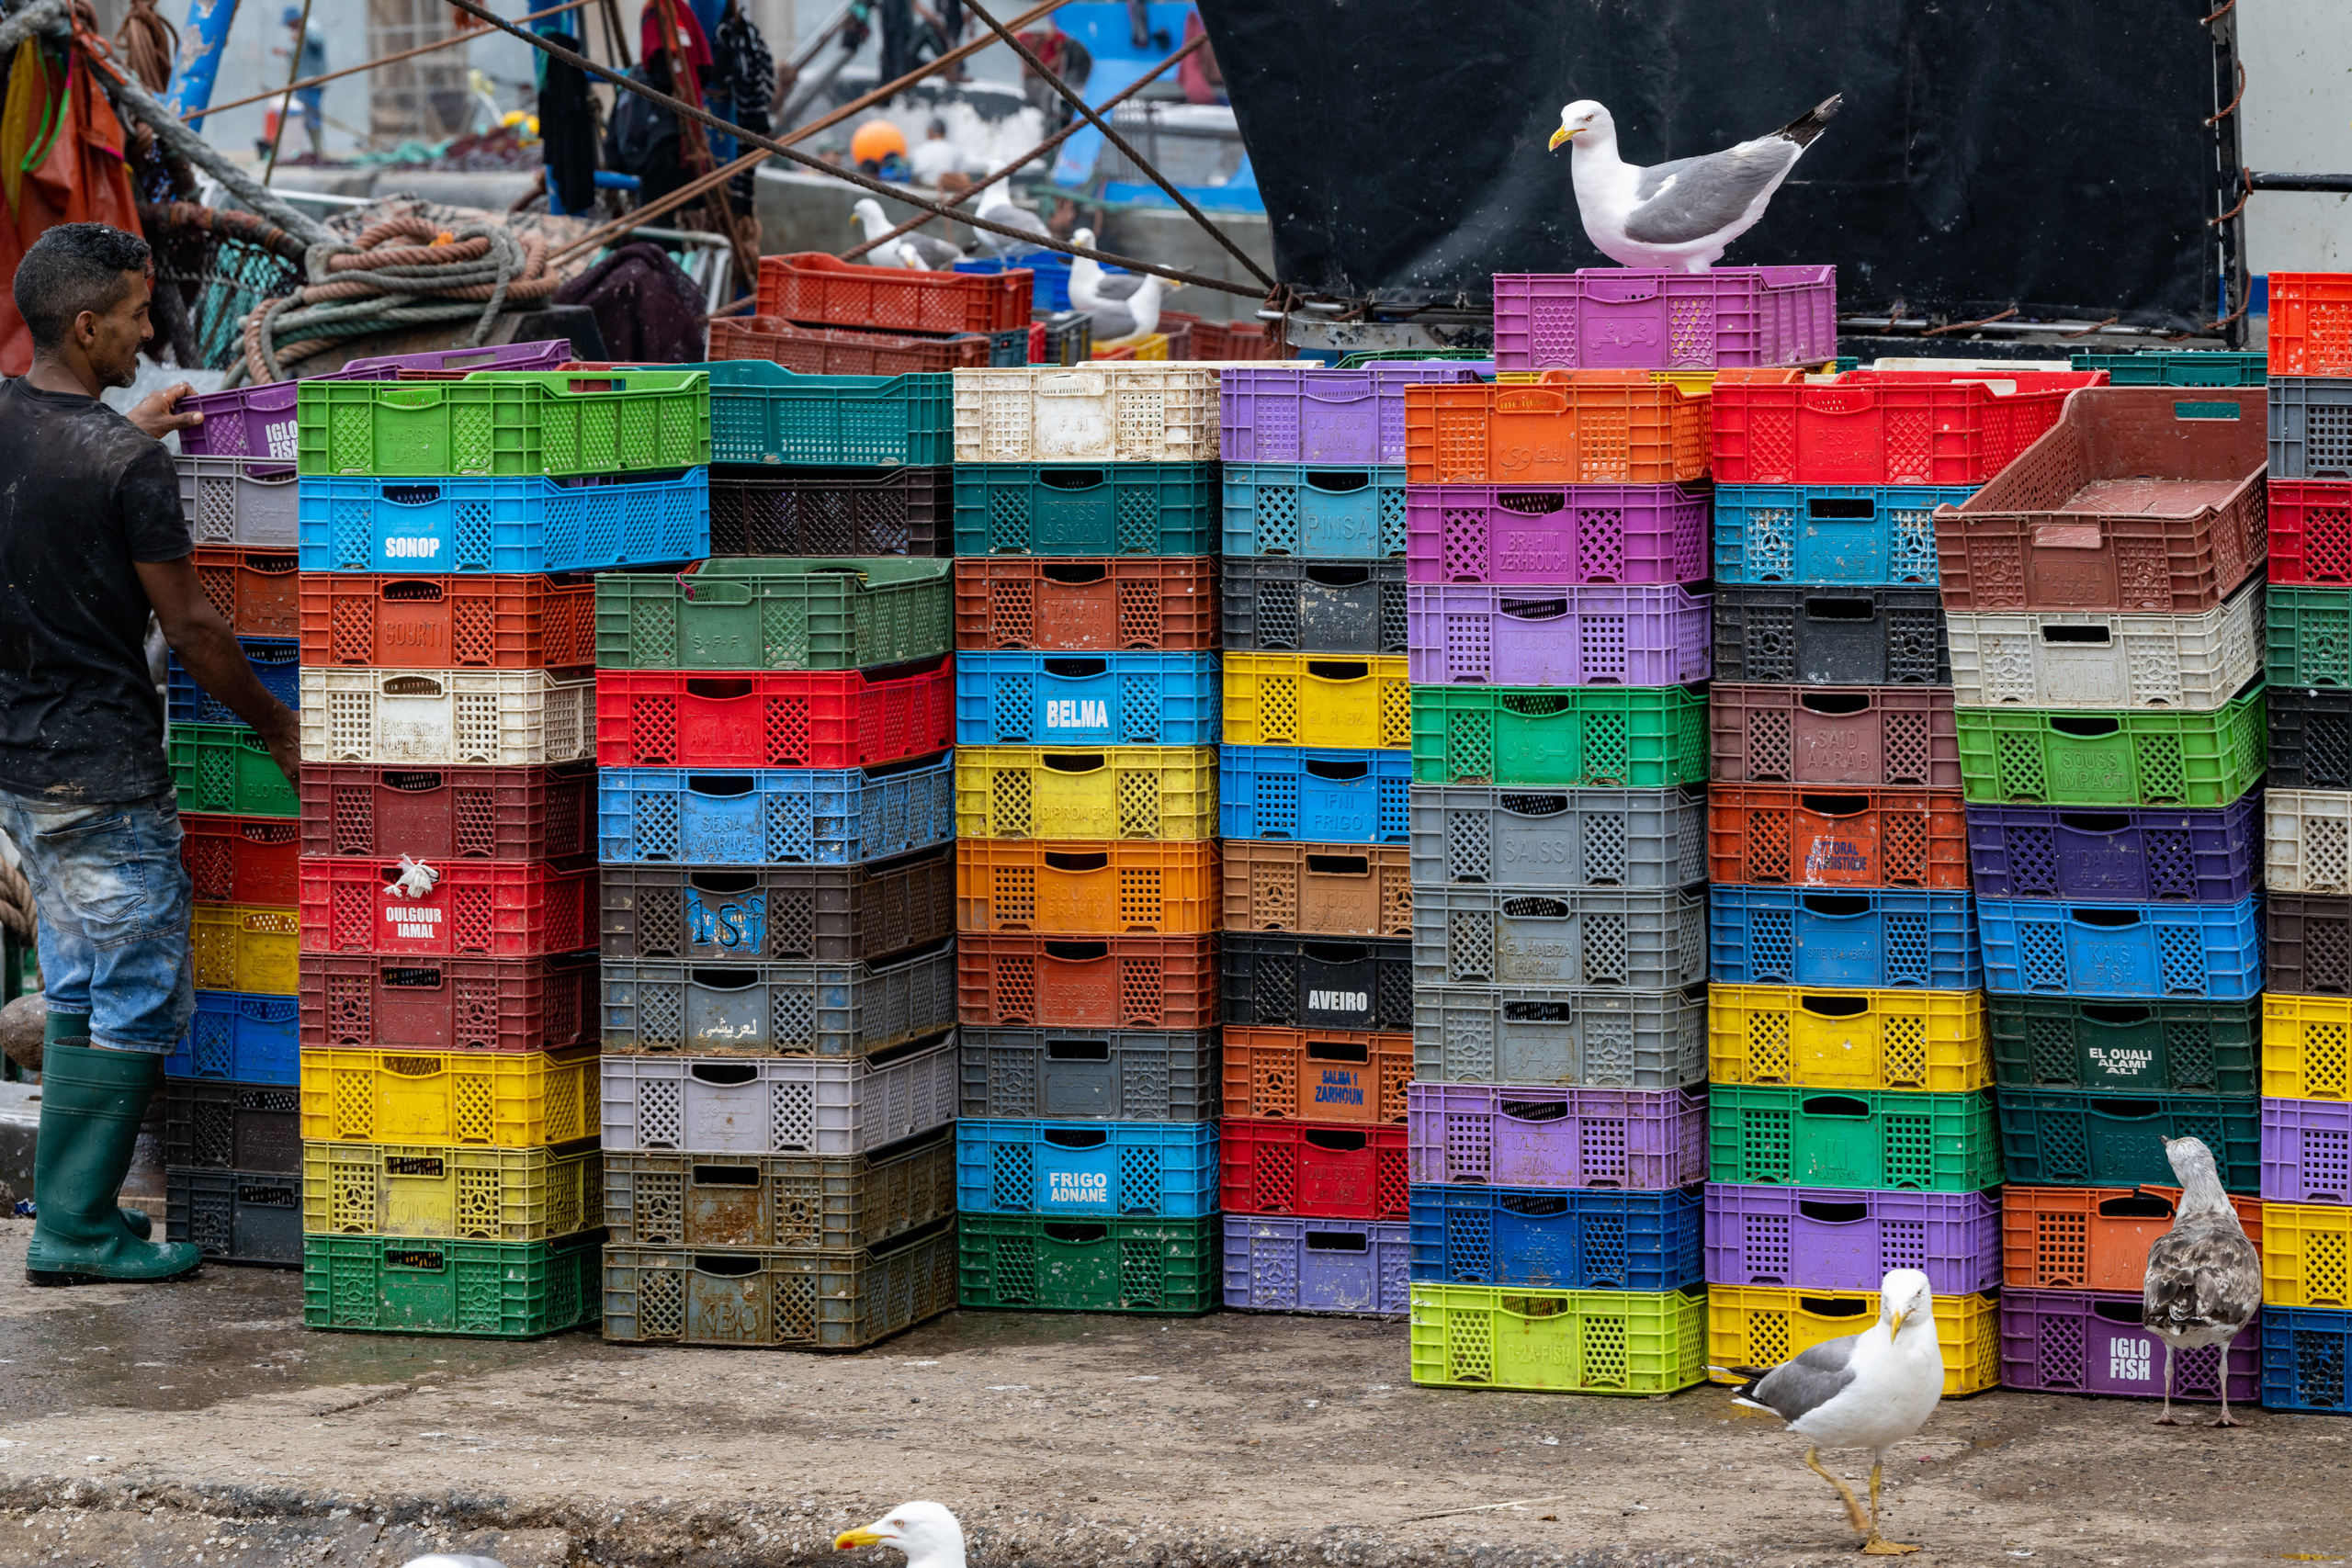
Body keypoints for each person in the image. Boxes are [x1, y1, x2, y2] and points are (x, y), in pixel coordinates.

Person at [0, 223, 300, 1288]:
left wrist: (127, 429)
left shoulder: (16, 421)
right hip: (106, 772)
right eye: (134, 317)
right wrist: (276, 727)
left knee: (78, 978)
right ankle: (76, 1227)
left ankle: (79, 1215)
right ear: (87, 325)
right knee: (133, 991)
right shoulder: (127, 467)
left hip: (24, 772)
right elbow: (199, 631)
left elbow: (50, 481)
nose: (149, 333)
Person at [267, 6, 327, 160]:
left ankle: (319, 152)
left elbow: (318, 41)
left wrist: (302, 35)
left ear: (294, 21)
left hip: (311, 81)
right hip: (303, 81)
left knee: (312, 116)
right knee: (308, 117)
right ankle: (317, 152)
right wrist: (286, 52)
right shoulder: (303, 30)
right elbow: (303, 54)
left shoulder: (310, 26)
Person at [909, 117, 966, 186]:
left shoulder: (918, 151)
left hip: (923, 190)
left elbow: (914, 175)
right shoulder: (956, 150)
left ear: (929, 131)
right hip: (949, 192)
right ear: (945, 132)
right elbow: (964, 178)